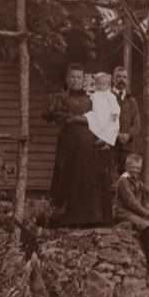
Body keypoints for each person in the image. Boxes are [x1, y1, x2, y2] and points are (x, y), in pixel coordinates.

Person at [45, 63, 112, 226]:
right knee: (67, 176)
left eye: (79, 77)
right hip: (68, 144)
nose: (75, 80)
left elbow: (102, 118)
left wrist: (103, 135)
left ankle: (91, 218)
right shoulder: (60, 97)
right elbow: (51, 115)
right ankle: (67, 217)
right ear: (67, 79)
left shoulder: (92, 98)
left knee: (88, 179)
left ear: (83, 80)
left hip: (89, 145)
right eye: (72, 77)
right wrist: (72, 117)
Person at [113, 154, 149, 273]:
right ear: (127, 167)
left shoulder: (139, 182)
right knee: (146, 226)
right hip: (123, 212)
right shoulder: (123, 181)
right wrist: (147, 214)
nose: (136, 170)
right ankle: (146, 261)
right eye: (133, 167)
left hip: (136, 214)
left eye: (138, 168)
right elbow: (131, 203)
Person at [112, 66, 141, 177]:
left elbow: (137, 123)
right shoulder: (107, 98)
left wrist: (129, 135)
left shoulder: (131, 101)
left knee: (126, 177)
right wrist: (116, 134)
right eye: (118, 76)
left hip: (128, 147)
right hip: (111, 146)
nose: (121, 80)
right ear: (113, 79)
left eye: (124, 77)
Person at [85, 72, 120, 147]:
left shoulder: (110, 95)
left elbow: (115, 106)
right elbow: (90, 97)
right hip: (98, 114)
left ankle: (106, 142)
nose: (101, 86)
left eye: (104, 84)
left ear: (108, 86)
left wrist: (115, 113)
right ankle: (99, 138)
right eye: (99, 84)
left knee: (110, 127)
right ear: (96, 84)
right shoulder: (95, 94)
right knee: (91, 120)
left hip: (107, 115)